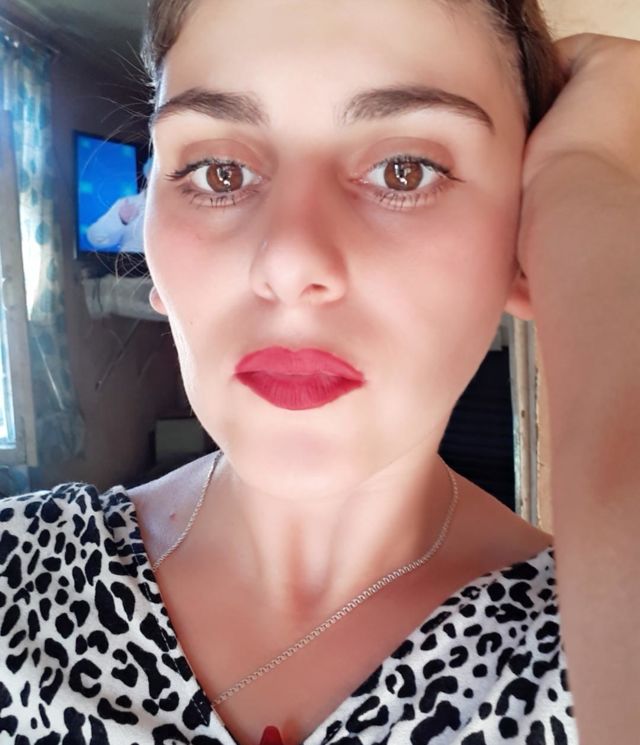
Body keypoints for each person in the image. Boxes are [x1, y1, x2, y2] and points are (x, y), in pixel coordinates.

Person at [0, 2, 638, 745]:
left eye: (405, 169)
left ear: (522, 240)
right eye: (219, 171)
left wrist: (583, 187)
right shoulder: (16, 578)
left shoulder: (583, 650)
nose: (290, 261)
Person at [85, 156, 153, 253]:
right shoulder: (129, 203)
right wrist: (121, 219)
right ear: (148, 175)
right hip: (132, 261)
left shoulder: (175, 208)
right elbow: (96, 238)